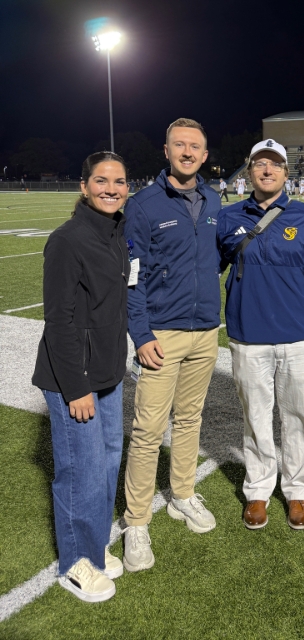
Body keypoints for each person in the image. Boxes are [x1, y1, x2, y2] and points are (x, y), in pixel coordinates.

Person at [122, 118, 222, 571]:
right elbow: (132, 277)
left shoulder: (216, 200)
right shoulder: (142, 205)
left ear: (204, 155)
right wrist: (141, 335)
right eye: (179, 145)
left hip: (205, 331)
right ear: (166, 150)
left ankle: (182, 493)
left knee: (190, 419)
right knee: (147, 430)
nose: (187, 152)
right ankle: (136, 521)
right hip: (161, 334)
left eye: (194, 147)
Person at [32, 151, 131, 602]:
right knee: (81, 472)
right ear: (84, 186)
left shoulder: (116, 231)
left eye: (120, 181)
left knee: (108, 461)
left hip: (108, 371)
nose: (111, 188)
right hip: (75, 379)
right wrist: (77, 388)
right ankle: (75, 563)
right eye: (102, 180)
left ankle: (94, 546)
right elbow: (59, 321)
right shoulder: (68, 240)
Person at [217, 138, 304, 531]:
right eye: (259, 164)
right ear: (249, 172)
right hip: (248, 336)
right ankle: (259, 488)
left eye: (275, 164)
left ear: (285, 173)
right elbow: (206, 269)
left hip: (299, 336)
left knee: (298, 418)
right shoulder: (228, 219)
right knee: (256, 418)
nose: (267, 170)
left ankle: (297, 490)